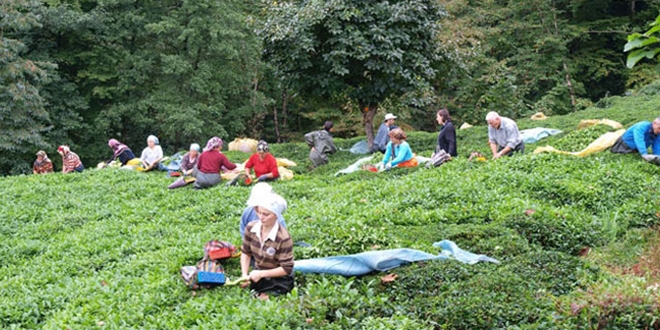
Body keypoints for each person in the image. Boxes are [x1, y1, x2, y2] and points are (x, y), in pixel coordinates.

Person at [240, 190, 294, 300]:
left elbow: (286, 269)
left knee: (270, 296)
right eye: (259, 212)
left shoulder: (283, 238)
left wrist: (262, 274)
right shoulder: (251, 228)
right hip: (259, 273)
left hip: (279, 278)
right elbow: (246, 252)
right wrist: (244, 274)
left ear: (276, 216)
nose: (261, 217)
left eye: (266, 214)